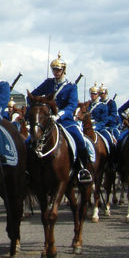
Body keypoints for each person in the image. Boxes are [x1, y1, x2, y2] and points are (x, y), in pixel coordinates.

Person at [28, 53, 92, 184]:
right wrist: (40, 105)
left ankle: (82, 169)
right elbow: (33, 95)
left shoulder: (71, 86)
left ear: (63, 70)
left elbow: (72, 105)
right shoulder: (48, 83)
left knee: (80, 140)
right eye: (54, 69)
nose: (56, 72)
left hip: (65, 121)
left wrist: (59, 115)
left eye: (58, 69)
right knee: (28, 141)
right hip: (47, 121)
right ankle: (27, 170)